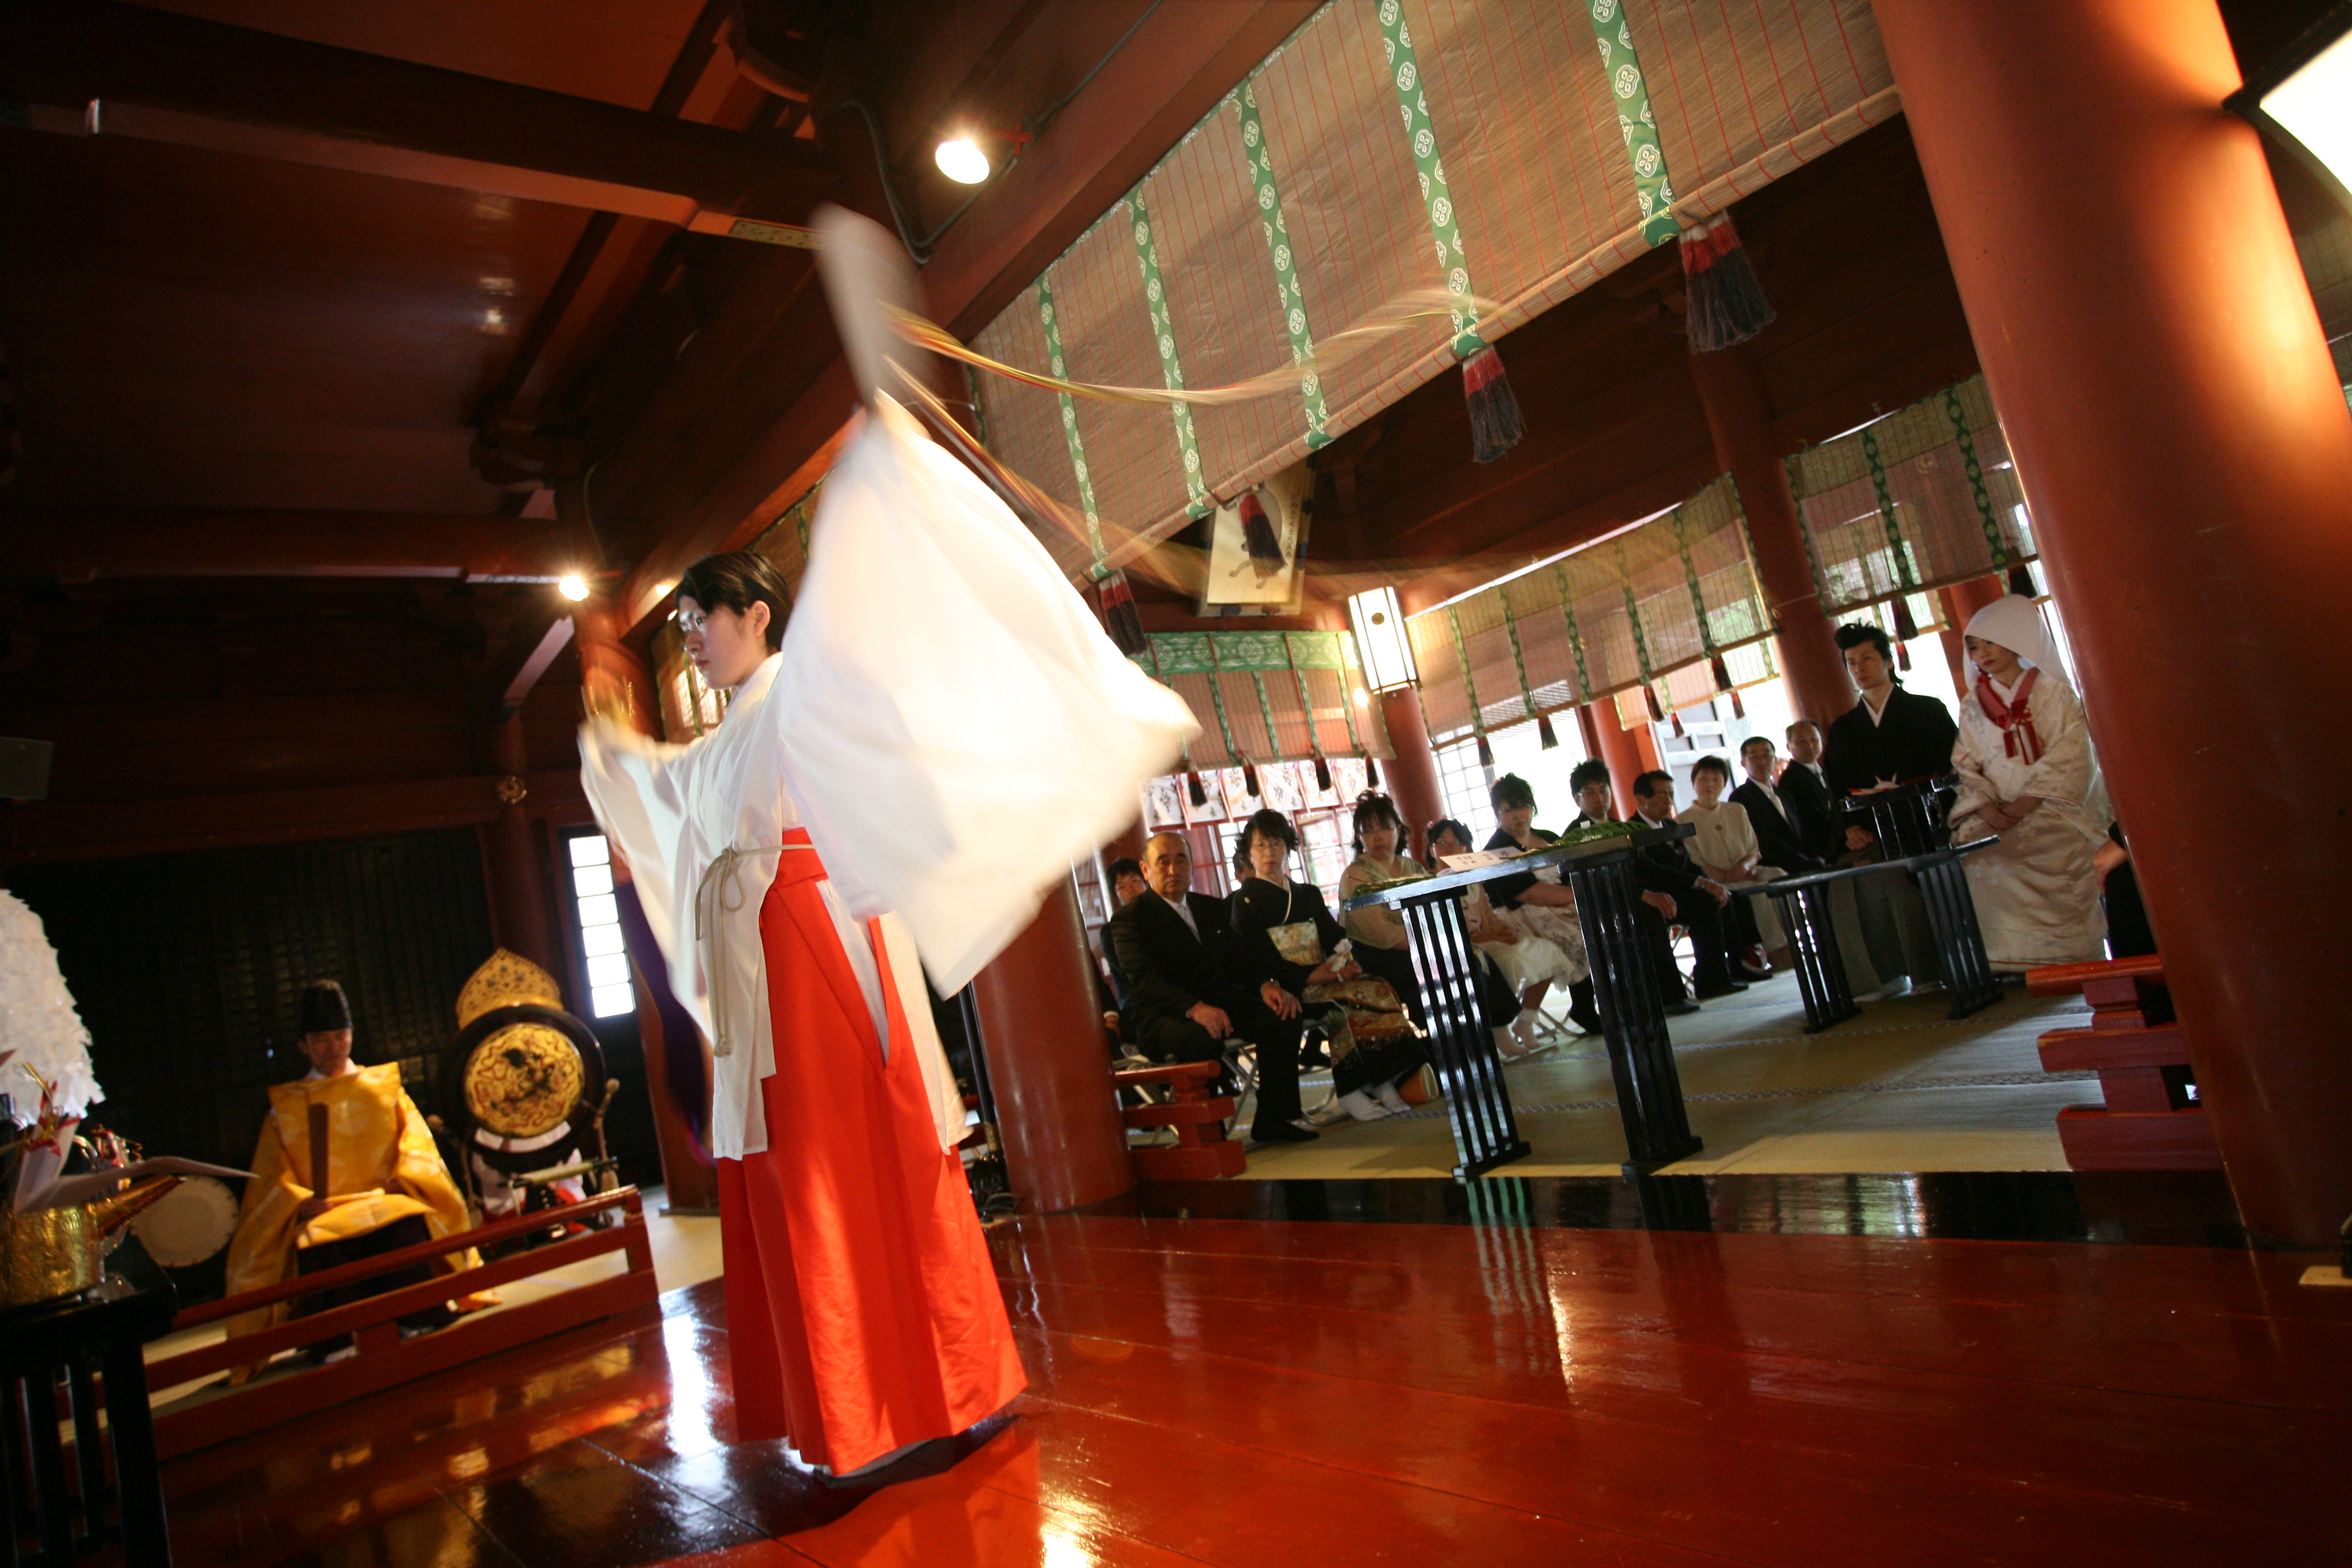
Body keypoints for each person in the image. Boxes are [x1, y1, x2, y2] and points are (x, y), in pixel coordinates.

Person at [580, 551, 1026, 1479]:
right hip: (765, 962)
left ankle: (934, 1393)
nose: (693, 637)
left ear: (756, 614)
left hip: (818, 946)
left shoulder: (800, 691)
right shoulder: (735, 726)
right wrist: (613, 749)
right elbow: (663, 787)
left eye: (704, 616)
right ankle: (863, 1411)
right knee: (804, 1174)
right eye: (685, 624)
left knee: (845, 1163)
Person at [222, 979, 485, 1371]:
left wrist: (406, 1175)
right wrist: (300, 1201)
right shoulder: (288, 1106)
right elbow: (271, 1174)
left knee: (406, 1223)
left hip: (385, 1198)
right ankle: (337, 1340)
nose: (334, 1046)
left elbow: (416, 1143)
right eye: (322, 1039)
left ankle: (417, 1318)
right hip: (326, 1211)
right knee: (321, 1244)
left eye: (340, 1035)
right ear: (303, 1045)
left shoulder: (382, 1087)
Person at [1108, 831, 1317, 1143]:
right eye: (1162, 863)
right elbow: (1144, 980)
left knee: (1282, 1014)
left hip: (1219, 1002)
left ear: (1192, 866)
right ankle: (1210, 1133)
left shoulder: (1210, 907)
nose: (1173, 870)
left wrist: (1265, 985)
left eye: (1181, 861)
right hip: (1164, 1014)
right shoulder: (1129, 920)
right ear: (1146, 869)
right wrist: (1194, 1009)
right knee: (1199, 1037)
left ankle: (1274, 1119)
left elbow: (1238, 957)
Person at [1950, 594, 2113, 969]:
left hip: (2056, 807)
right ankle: (2011, 960)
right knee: (1979, 855)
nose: (1983, 653)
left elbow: (2072, 753)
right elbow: (1966, 764)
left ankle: (2070, 954)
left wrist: (2028, 803)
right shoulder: (1972, 705)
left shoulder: (2055, 691)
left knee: (2050, 850)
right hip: (2000, 811)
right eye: (1975, 647)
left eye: (1991, 642)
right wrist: (1988, 807)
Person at [1229, 809, 1424, 1123]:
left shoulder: (1306, 893)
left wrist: (1345, 960)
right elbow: (1258, 956)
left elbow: (1334, 935)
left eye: (1276, 844)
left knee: (1377, 988)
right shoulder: (1244, 901)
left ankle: (1385, 1081)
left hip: (1326, 975)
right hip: (1291, 985)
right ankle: (1349, 1090)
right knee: (1344, 1005)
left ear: (1288, 848)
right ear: (1248, 854)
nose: (1270, 853)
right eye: (1261, 846)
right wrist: (1311, 974)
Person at [1821, 622, 1956, 992]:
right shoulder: (1845, 729)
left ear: (1888, 660)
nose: (1860, 668)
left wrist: (1935, 810)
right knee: (1848, 884)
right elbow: (1835, 788)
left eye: (1867, 658)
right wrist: (1850, 828)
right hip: (1874, 832)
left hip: (1929, 824)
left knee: (1902, 878)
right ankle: (1883, 977)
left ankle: (1933, 971)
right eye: (1851, 662)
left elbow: (1951, 771)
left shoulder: (1928, 710)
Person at [1428, 818, 1578, 1055]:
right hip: (1471, 946)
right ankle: (1502, 1029)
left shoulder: (1474, 878)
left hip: (1491, 938)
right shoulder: (1429, 886)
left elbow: (1488, 913)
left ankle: (1526, 1020)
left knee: (1546, 949)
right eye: (1442, 843)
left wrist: (1503, 930)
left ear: (1467, 848)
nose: (1449, 848)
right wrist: (1488, 936)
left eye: (1457, 842)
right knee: (1509, 960)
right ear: (1431, 849)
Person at [1478, 774, 1602, 1036]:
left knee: (1602, 924)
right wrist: (1576, 896)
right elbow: (1525, 893)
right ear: (1498, 813)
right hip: (1519, 914)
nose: (1518, 815)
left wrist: (1577, 896)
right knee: (1576, 934)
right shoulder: (1496, 848)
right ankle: (1584, 1007)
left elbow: (1573, 872)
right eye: (1508, 809)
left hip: (1562, 902)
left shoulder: (1548, 836)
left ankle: (1610, 999)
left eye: (1522, 806)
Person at [1632, 771, 1773, 1002]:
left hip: (1683, 890)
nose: (1669, 800)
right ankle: (1710, 980)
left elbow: (1689, 865)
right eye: (1662, 795)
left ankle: (1739, 964)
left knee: (1731, 896)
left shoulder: (1669, 824)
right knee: (1706, 903)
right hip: (1661, 897)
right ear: (1641, 799)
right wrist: (1699, 883)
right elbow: (1656, 873)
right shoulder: (1633, 831)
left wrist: (1711, 883)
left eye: (1671, 794)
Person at [1681, 754, 1786, 968]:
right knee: (1756, 890)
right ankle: (1777, 951)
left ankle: (1791, 939)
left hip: (1747, 870)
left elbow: (1754, 850)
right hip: (1717, 881)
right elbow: (1695, 861)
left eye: (1716, 780)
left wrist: (1744, 867)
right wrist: (1725, 875)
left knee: (1779, 876)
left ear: (1724, 784)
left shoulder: (1737, 810)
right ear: (1694, 783)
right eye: (1703, 779)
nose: (1710, 785)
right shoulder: (1682, 821)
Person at [1732, 736, 1825, 877]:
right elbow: (1762, 838)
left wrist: (1815, 855)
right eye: (1754, 757)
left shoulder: (1783, 794)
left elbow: (1800, 830)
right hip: (1771, 863)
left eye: (1767, 756)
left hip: (1800, 859)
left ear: (1775, 759)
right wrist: (1803, 860)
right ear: (1744, 763)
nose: (1762, 761)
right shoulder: (1741, 797)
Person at [1776, 720, 1844, 865]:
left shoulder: (1826, 771)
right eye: (1801, 741)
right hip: (1821, 853)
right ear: (1789, 747)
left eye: (1814, 739)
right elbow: (1805, 821)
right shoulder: (1791, 779)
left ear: (1822, 741)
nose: (1809, 745)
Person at [1100, 855, 1147, 1010]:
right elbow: (1133, 974)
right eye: (1121, 886)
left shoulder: (1164, 916)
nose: (1131, 890)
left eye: (1135, 881)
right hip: (1137, 1005)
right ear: (1116, 896)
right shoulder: (1110, 933)